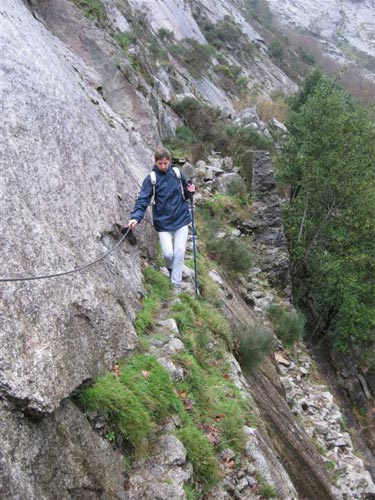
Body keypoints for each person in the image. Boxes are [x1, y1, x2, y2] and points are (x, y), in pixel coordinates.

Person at [128, 146, 195, 291]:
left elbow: (187, 193)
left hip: (181, 218)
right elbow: (143, 200)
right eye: (160, 164)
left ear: (169, 161)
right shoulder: (151, 179)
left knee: (179, 251)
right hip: (163, 222)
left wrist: (191, 191)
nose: (163, 166)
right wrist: (136, 218)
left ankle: (175, 286)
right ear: (155, 162)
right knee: (168, 254)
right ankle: (171, 269)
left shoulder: (177, 174)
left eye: (166, 163)